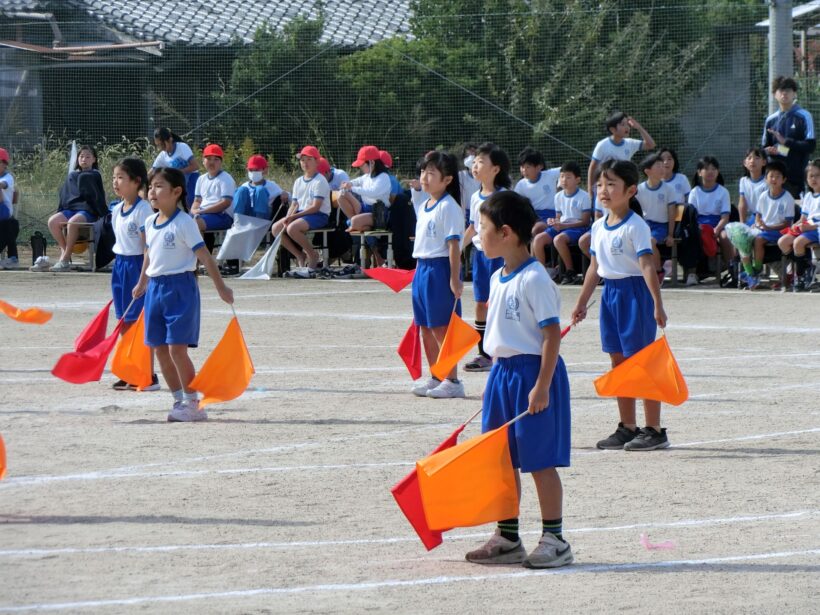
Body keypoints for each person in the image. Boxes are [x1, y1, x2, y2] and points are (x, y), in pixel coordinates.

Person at [464, 190, 572, 569]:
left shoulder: (535, 278)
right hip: (503, 373)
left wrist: (541, 385)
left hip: (533, 373)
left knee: (539, 459)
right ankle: (508, 535)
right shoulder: (497, 277)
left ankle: (555, 538)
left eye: (483, 227)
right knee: (500, 458)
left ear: (506, 232)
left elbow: (551, 335)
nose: (477, 234)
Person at [572, 159, 669, 451]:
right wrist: (581, 303)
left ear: (630, 191)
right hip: (611, 295)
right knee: (618, 362)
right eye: (600, 184)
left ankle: (654, 429)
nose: (603, 190)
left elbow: (648, 266)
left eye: (611, 184)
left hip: (635, 295)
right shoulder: (599, 226)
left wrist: (657, 304)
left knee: (644, 362)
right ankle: (627, 426)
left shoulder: (636, 225)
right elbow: (594, 268)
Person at [132, 168, 233, 423]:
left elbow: (205, 257)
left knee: (177, 349)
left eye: (158, 186)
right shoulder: (149, 222)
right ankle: (178, 400)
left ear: (176, 192)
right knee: (159, 348)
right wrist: (142, 282)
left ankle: (193, 402)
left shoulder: (185, 222)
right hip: (155, 289)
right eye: (151, 186)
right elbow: (148, 255)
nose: (152, 192)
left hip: (180, 289)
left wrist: (221, 287)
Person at [409, 150, 464, 399]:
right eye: (423, 171)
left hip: (439, 269)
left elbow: (454, 245)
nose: (425, 177)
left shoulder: (449, 207)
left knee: (442, 328)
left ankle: (452, 380)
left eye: (432, 173)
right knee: (425, 328)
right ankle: (436, 376)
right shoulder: (424, 204)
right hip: (421, 268)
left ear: (447, 180)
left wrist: (454, 277)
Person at [109, 157, 160, 391]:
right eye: (114, 178)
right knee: (124, 323)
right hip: (120, 267)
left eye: (121, 178)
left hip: (137, 266)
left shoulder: (143, 211)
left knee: (141, 324)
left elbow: (147, 248)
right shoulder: (116, 210)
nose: (116, 182)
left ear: (136, 181)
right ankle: (131, 370)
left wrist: (143, 279)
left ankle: (147, 374)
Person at [462, 143, 511, 372]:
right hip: (480, 256)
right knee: (481, 303)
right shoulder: (474, 197)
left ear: (495, 169)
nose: (475, 165)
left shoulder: (505, 198)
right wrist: (455, 249)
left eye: (481, 161)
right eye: (475, 161)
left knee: (499, 304)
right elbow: (473, 228)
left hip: (500, 257)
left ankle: (502, 350)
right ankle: (484, 353)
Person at [41, 145, 107, 272]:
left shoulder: (95, 175)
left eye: (88, 157)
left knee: (72, 223)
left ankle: (64, 259)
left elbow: (95, 199)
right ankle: (65, 252)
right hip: (70, 209)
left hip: (87, 211)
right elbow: (66, 195)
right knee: (52, 221)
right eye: (81, 156)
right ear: (77, 159)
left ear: (94, 159)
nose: (84, 159)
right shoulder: (72, 175)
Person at [270, 145, 330, 270]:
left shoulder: (320, 180)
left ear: (317, 161)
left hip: (319, 215)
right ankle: (300, 255)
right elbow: (295, 204)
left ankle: (312, 255)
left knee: (292, 228)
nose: (305, 163)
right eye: (302, 160)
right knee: (276, 228)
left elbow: (315, 207)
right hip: (302, 214)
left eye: (309, 160)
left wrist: (293, 217)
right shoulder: (298, 181)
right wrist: (287, 217)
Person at [531, 161, 592, 284]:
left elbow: (585, 222)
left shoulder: (584, 196)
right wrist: (553, 221)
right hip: (563, 227)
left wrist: (564, 225)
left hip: (577, 228)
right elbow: (558, 217)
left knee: (558, 240)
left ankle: (570, 272)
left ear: (578, 179)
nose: (564, 180)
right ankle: (541, 274)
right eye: (562, 176)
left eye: (568, 177)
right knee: (538, 239)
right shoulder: (558, 196)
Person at [744, 160, 794, 290]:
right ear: (765, 179)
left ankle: (757, 270)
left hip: (781, 231)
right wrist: (758, 223)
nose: (774, 179)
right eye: (771, 176)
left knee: (759, 240)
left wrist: (769, 227)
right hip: (765, 230)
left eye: (778, 176)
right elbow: (758, 215)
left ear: (784, 180)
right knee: (745, 238)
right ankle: (746, 273)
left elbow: (787, 223)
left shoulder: (787, 198)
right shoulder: (763, 196)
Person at [762, 76, 816, 198]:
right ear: (775, 94)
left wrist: (786, 141)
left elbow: (810, 146)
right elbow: (764, 148)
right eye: (781, 90)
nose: (784, 93)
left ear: (794, 94)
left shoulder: (804, 116)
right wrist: (769, 150)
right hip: (775, 179)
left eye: (788, 90)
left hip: (796, 179)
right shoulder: (770, 120)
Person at [685, 156, 732, 286]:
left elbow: (725, 217)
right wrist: (701, 229)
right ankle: (692, 273)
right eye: (706, 168)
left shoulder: (723, 192)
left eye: (714, 169)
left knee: (725, 237)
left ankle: (732, 271)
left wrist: (716, 229)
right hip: (699, 226)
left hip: (718, 225)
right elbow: (692, 216)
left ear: (718, 172)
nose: (710, 172)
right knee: (693, 235)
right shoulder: (694, 192)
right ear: (699, 172)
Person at [587, 111, 655, 196]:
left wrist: (639, 128)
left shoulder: (630, 143)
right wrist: (590, 189)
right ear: (613, 129)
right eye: (623, 124)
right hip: (605, 189)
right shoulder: (602, 145)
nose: (627, 127)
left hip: (622, 189)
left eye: (627, 124)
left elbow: (651, 144)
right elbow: (592, 168)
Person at [779, 159, 820, 291]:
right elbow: (803, 218)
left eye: (818, 175)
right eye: (811, 176)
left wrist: (809, 227)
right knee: (783, 241)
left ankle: (800, 276)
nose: (814, 179)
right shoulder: (808, 196)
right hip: (807, 228)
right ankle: (806, 265)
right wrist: (795, 225)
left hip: (816, 228)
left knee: (798, 243)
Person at [635, 153, 676, 284]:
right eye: (658, 165)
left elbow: (672, 213)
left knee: (650, 241)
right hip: (645, 225)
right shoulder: (639, 189)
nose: (662, 167)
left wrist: (670, 234)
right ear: (647, 171)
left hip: (661, 226)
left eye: (662, 165)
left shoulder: (668, 189)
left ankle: (658, 271)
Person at [338, 145, 392, 236]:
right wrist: (348, 184)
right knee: (341, 196)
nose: (360, 168)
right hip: (364, 208)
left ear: (372, 162)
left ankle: (356, 224)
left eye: (362, 165)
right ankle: (357, 223)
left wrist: (352, 188)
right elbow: (357, 181)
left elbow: (372, 192)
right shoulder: (367, 175)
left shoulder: (383, 177)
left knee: (354, 221)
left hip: (378, 213)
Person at [513, 147, 561, 235]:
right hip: (532, 216)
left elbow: (567, 170)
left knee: (536, 229)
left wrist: (561, 185)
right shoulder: (521, 185)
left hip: (550, 216)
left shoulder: (550, 175)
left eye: (528, 167)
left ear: (539, 167)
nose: (524, 170)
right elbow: (514, 203)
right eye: (522, 167)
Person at [191, 144, 237, 235]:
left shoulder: (226, 178)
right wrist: (193, 210)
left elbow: (225, 203)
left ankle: (200, 249)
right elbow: (197, 200)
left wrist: (202, 211)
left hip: (222, 216)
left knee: (196, 223)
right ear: (203, 161)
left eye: (216, 159)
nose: (212, 162)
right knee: (180, 221)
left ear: (221, 162)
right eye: (208, 159)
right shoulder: (201, 179)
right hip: (202, 214)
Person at [152, 128, 199, 206]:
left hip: (191, 178)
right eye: (158, 145)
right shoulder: (163, 155)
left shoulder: (182, 147)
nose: (160, 148)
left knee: (189, 201)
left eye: (162, 144)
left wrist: (178, 172)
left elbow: (195, 166)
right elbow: (152, 171)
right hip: (178, 181)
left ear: (170, 140)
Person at [738, 148, 768, 225]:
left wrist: (758, 223)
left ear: (764, 162)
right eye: (749, 158)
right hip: (754, 217)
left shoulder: (768, 182)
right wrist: (742, 223)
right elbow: (742, 204)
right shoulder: (743, 181)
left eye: (757, 158)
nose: (752, 161)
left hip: (767, 218)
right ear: (745, 163)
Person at [0, 147, 19, 269]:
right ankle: (12, 258)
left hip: (4, 213)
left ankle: (13, 259)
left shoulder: (8, 177)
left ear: (5, 164)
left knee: (10, 225)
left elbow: (2, 185)